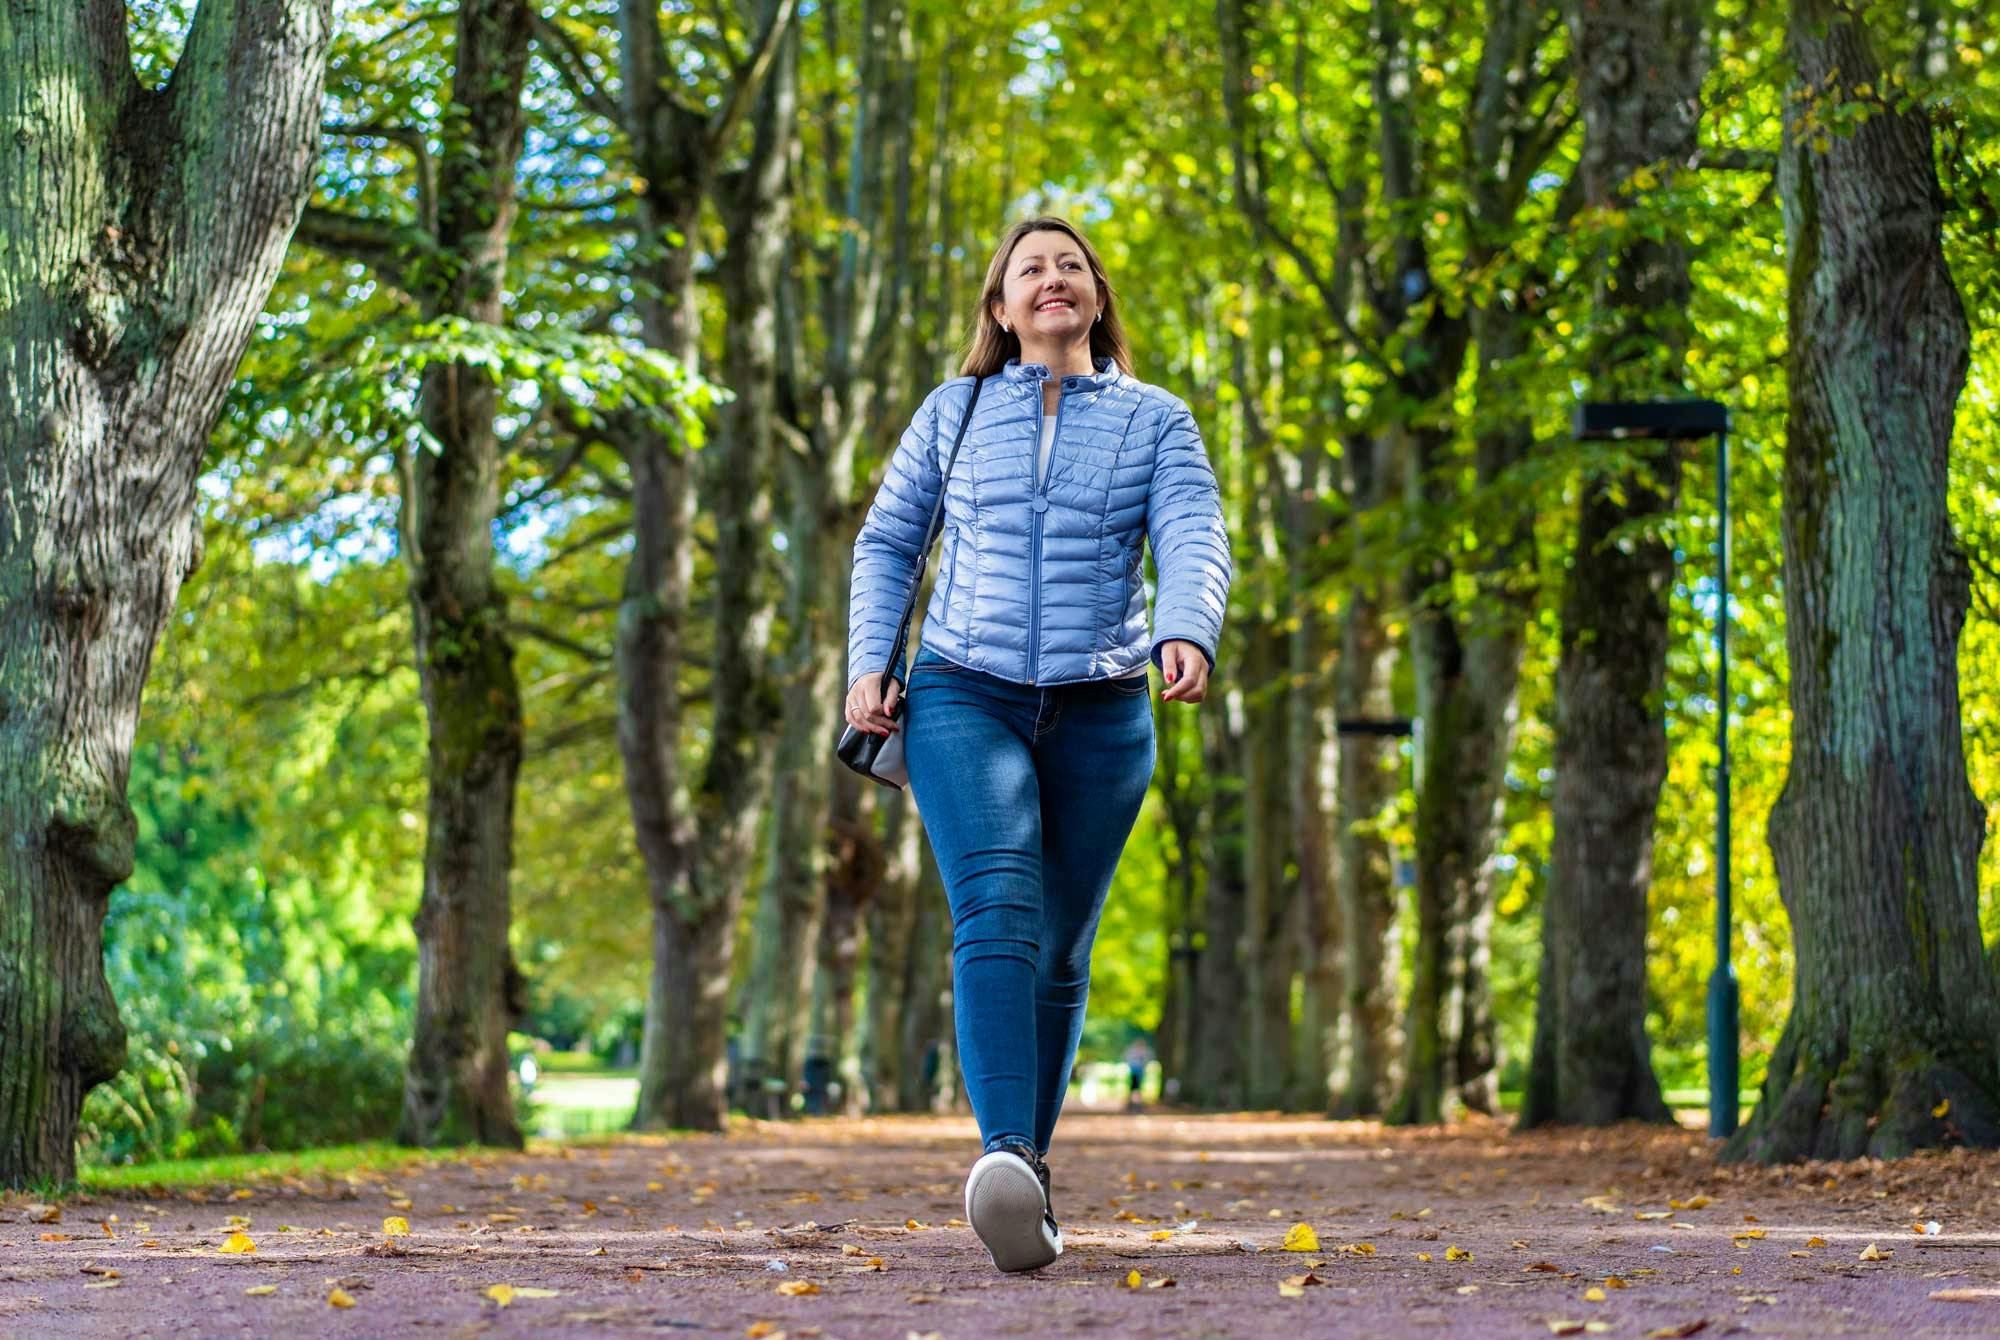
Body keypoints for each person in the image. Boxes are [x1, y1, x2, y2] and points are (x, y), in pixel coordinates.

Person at [842, 215, 1233, 1273]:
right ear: (1002, 307)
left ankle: (1027, 1174)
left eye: (1070, 266)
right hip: (964, 692)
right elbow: (888, 540)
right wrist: (871, 659)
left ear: (1096, 298)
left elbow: (1192, 527)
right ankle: (1003, 1151)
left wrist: (1187, 626)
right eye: (1030, 268)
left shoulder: (1156, 418)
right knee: (998, 904)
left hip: (1103, 708)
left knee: (1060, 946)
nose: (1052, 278)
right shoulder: (953, 409)